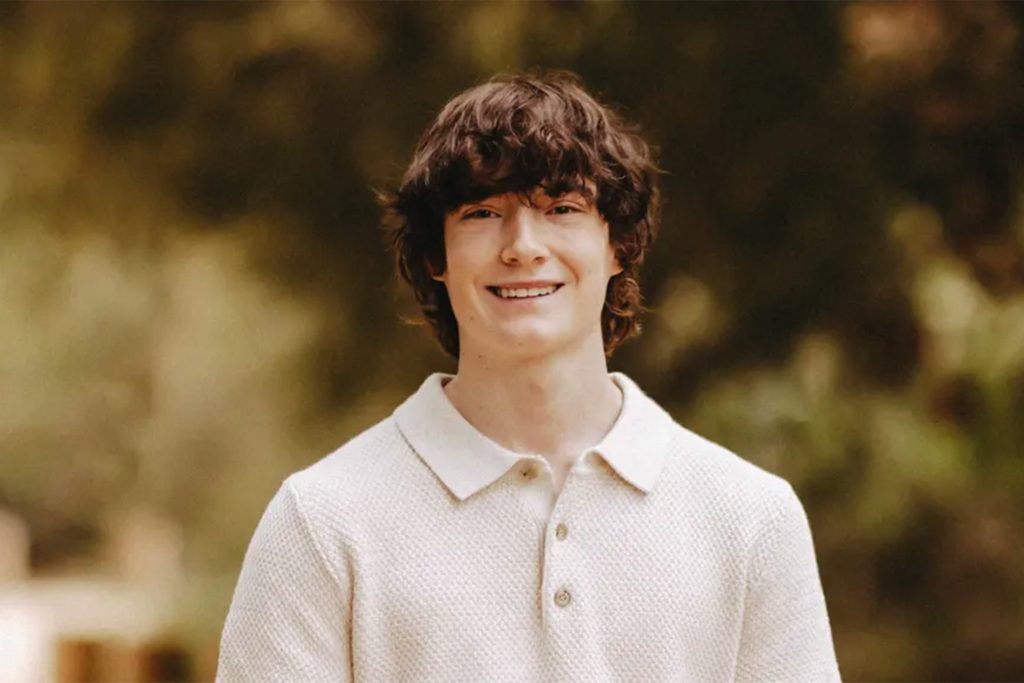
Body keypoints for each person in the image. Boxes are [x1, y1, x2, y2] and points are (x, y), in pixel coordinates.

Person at [216, 70, 842, 682]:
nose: (522, 246)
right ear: (436, 256)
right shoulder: (322, 522)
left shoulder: (751, 520)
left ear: (619, 244)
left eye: (562, 208)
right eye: (482, 212)